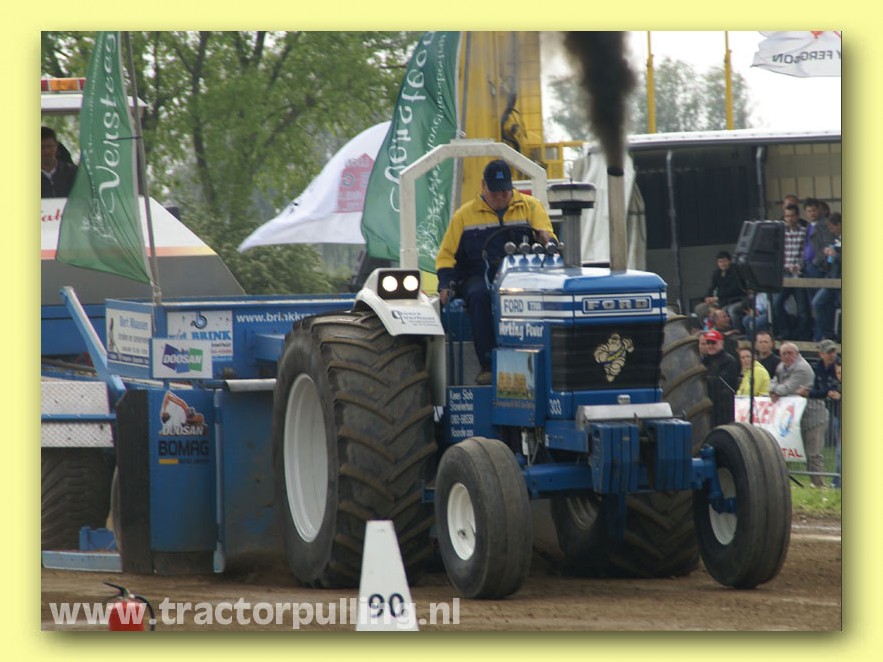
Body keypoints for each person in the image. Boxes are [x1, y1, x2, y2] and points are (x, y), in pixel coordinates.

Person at [436, 159, 555, 385]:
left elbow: (548, 236)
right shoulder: (464, 216)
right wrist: (445, 284)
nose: (500, 197)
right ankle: (489, 364)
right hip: (479, 276)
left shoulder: (531, 207)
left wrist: (545, 237)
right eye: (495, 192)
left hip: (521, 277)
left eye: (504, 192)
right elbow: (446, 256)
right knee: (479, 295)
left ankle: (542, 360)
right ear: (483, 186)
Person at [769, 343, 820, 486]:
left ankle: (819, 485)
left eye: (790, 353)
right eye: (784, 354)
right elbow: (772, 382)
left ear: (797, 354)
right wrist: (774, 390)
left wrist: (775, 390)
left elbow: (788, 388)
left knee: (813, 454)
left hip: (814, 416)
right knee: (785, 450)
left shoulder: (802, 368)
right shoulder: (781, 367)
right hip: (794, 418)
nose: (787, 356)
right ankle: (782, 483)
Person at [802, 339, 841, 488]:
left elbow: (833, 389)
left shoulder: (839, 365)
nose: (832, 354)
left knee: (841, 450)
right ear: (821, 354)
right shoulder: (817, 367)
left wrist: (817, 393)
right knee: (840, 450)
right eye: (829, 352)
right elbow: (819, 391)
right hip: (835, 413)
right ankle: (836, 482)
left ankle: (837, 482)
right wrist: (815, 393)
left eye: (833, 351)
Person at [772, 204, 810, 340]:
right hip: (784, 273)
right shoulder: (780, 232)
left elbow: (806, 252)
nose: (789, 219)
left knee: (802, 309)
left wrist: (799, 265)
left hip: (800, 274)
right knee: (776, 304)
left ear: (797, 216)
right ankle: (786, 331)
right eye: (787, 216)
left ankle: (802, 335)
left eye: (792, 215)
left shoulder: (804, 231)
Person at [811, 212, 842, 341]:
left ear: (839, 225)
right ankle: (827, 334)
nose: (830, 230)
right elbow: (829, 263)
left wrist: (836, 255)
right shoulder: (834, 240)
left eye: (832, 227)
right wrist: (827, 256)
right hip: (831, 280)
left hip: (841, 282)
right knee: (817, 303)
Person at [694, 251, 745, 324]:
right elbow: (712, 286)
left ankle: (736, 329)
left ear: (729, 261)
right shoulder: (717, 273)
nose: (723, 264)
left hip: (735, 299)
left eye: (725, 261)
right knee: (700, 309)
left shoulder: (735, 272)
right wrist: (707, 297)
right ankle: (707, 328)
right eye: (720, 262)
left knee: (730, 310)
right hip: (721, 300)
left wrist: (717, 297)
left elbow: (734, 289)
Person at [701, 329, 739, 427]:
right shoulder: (704, 361)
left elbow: (724, 383)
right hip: (708, 406)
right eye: (708, 343)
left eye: (713, 342)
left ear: (721, 343)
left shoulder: (729, 361)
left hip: (724, 409)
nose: (710, 346)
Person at [41, 126, 78, 198]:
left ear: (56, 146)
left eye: (50, 146)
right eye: (42, 147)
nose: (47, 151)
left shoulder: (73, 172)